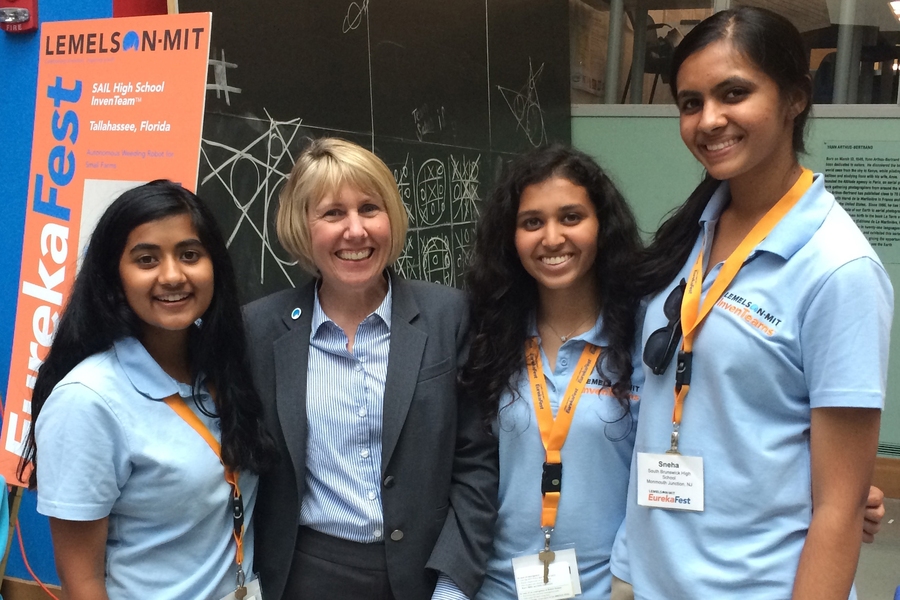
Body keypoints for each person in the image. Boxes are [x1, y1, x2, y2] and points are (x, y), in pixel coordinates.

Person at [618, 7, 893, 599]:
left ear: (795, 98)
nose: (708, 120)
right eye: (690, 103)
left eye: (734, 93)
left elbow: (840, 512)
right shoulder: (692, 234)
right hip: (655, 579)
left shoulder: (838, 269)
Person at [244, 137, 499, 600]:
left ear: (391, 218)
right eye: (332, 213)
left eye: (369, 208)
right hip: (304, 577)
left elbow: (478, 462)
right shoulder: (260, 330)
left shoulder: (450, 316)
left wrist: (452, 587)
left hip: (425, 576)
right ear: (304, 226)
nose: (355, 231)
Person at [22, 180, 275, 600]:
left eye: (190, 255)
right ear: (113, 277)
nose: (173, 275)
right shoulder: (88, 400)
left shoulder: (226, 369)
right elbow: (82, 583)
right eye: (146, 259)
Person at [462, 144, 644, 599]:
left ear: (601, 226)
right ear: (512, 237)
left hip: (610, 588)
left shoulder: (642, 337)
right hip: (496, 587)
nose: (551, 238)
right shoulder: (487, 336)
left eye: (570, 217)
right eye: (532, 222)